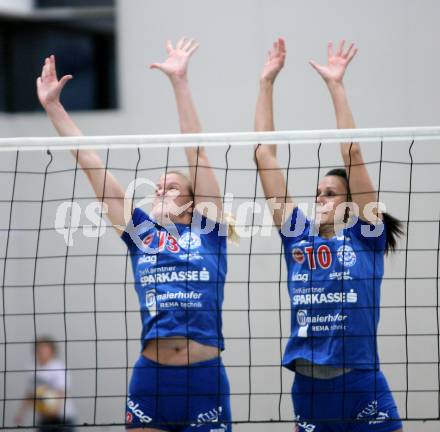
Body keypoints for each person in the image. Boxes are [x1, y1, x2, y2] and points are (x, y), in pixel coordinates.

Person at [37, 38, 232, 432]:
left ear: (194, 205)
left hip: (204, 377)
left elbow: (198, 153)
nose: (160, 190)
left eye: (172, 187)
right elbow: (92, 164)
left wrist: (180, 82)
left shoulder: (209, 230)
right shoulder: (141, 233)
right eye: (157, 186)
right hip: (152, 378)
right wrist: (55, 109)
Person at [254, 38, 404, 431]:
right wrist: (266, 83)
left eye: (330, 193)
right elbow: (263, 156)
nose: (319, 197)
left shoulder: (366, 234)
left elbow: (352, 154)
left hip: (362, 385)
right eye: (317, 192)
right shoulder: (297, 236)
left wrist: (336, 85)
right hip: (310, 389)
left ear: (350, 205)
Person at [14, 336, 75, 432]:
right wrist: (21, 413)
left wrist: (54, 411)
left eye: (45, 348)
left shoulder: (58, 367)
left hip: (63, 418)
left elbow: (61, 392)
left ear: (52, 351)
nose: (41, 351)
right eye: (39, 348)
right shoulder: (33, 369)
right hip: (45, 418)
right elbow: (30, 393)